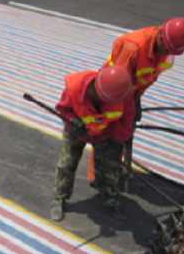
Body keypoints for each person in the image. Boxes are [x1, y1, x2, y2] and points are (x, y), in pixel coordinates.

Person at [86, 17, 184, 182]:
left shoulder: (166, 50)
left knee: (125, 131)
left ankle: (114, 166)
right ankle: (99, 175)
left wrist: (137, 100)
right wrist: (123, 110)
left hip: (132, 93)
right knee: (110, 132)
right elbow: (117, 84)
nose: (168, 53)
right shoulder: (133, 48)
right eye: (168, 49)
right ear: (160, 37)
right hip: (113, 92)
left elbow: (150, 76)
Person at [50, 65, 135, 222]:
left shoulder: (123, 93)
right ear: (97, 89)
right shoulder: (75, 87)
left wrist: (118, 142)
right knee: (67, 164)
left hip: (105, 133)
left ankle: (111, 200)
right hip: (76, 132)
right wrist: (73, 121)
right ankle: (59, 200)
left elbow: (127, 119)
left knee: (109, 168)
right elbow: (63, 109)